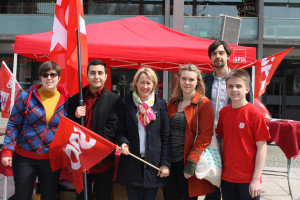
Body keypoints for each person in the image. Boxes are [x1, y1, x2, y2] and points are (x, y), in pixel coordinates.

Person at [1, 61, 69, 200]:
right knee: (23, 196)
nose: (49, 78)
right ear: (40, 77)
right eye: (45, 74)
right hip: (24, 157)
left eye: (53, 74)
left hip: (51, 158)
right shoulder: (26, 96)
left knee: (49, 196)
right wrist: (7, 150)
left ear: (59, 77)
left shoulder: (67, 100)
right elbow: (13, 124)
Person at [203, 40, 253, 200]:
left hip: (232, 137)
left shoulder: (237, 81)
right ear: (210, 58)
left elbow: (248, 107)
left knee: (232, 182)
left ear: (228, 56)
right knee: (211, 183)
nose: (217, 56)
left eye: (221, 53)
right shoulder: (204, 81)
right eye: (214, 54)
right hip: (210, 138)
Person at [68, 59, 120, 200]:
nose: (96, 76)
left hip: (103, 159)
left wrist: (93, 147)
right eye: (92, 73)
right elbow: (68, 127)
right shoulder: (75, 99)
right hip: (81, 158)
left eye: (100, 73)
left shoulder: (114, 100)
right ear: (86, 75)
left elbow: (112, 128)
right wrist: (75, 116)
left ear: (106, 76)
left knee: (104, 195)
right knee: (82, 196)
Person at [116, 67, 170, 200]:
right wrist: (123, 143)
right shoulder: (126, 103)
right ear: (135, 84)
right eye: (141, 82)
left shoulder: (161, 105)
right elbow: (120, 131)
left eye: (148, 83)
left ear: (154, 85)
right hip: (132, 160)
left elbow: (166, 136)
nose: (145, 86)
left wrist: (165, 164)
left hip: (153, 163)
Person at [216, 69, 270, 200]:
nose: (234, 89)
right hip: (227, 177)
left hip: (248, 179)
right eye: (230, 86)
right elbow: (222, 142)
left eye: (238, 86)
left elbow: (262, 147)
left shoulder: (255, 114)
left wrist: (256, 179)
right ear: (226, 88)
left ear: (247, 89)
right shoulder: (223, 112)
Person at [164, 64, 215, 200]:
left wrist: (191, 163)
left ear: (197, 81)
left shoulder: (204, 104)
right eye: (184, 79)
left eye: (191, 79)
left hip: (187, 162)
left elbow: (205, 136)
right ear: (179, 80)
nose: (187, 83)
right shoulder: (173, 102)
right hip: (170, 162)